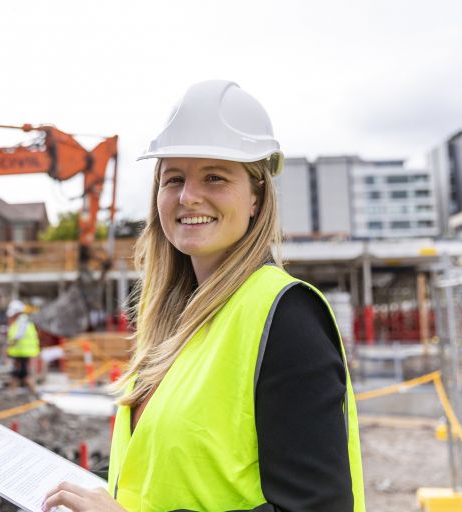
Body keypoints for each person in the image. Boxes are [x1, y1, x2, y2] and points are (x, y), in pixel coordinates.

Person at [43, 80, 365, 511]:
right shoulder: (172, 324)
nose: (188, 196)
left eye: (214, 177)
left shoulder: (285, 316)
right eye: (173, 178)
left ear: (256, 197)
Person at [6, 299, 40, 393]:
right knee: (17, 374)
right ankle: (13, 393)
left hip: (23, 353)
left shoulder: (22, 320)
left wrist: (9, 344)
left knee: (22, 375)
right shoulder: (23, 320)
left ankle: (35, 394)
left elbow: (18, 335)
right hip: (21, 353)